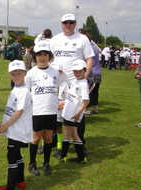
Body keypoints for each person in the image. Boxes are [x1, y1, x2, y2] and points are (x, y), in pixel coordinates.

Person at [50, 13, 94, 162]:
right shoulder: (55, 39)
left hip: (76, 83)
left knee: (77, 116)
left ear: (75, 23)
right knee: (56, 114)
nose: (68, 25)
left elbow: (89, 59)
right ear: (61, 24)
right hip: (58, 84)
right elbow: (50, 60)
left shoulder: (82, 39)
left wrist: (84, 78)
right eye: (65, 22)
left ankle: (80, 144)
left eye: (71, 22)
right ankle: (54, 144)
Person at [25, 41, 61, 176]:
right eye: (39, 54)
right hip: (37, 111)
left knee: (48, 139)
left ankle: (46, 164)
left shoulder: (55, 72)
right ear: (35, 57)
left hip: (51, 111)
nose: (42, 57)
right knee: (35, 139)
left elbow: (56, 89)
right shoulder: (31, 73)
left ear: (49, 56)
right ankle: (32, 164)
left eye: (45, 54)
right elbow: (27, 92)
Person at [0, 60, 32, 190]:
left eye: (19, 73)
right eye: (13, 74)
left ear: (25, 73)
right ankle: (20, 181)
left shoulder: (24, 91)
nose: (16, 76)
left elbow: (19, 111)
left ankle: (10, 186)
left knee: (11, 155)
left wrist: (5, 125)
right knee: (16, 154)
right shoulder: (16, 88)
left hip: (18, 129)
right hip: (14, 129)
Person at [59, 60, 90, 164]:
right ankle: (81, 158)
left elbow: (86, 101)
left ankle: (63, 156)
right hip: (69, 112)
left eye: (79, 71)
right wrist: (63, 103)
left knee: (67, 134)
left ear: (84, 70)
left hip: (73, 114)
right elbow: (72, 97)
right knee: (74, 134)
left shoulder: (83, 84)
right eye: (75, 71)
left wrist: (78, 113)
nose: (77, 73)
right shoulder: (76, 81)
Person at [82, 34, 102, 115]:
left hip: (90, 73)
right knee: (95, 92)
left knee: (88, 92)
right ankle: (96, 108)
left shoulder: (88, 48)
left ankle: (87, 109)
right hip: (98, 72)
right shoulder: (95, 47)